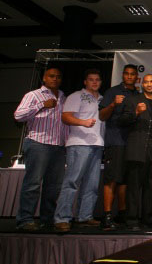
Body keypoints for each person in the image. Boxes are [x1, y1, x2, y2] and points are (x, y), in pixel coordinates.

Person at [14, 67, 68, 231]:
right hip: (38, 143)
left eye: (58, 77)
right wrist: (41, 105)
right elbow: (18, 115)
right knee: (33, 184)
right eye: (51, 76)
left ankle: (47, 219)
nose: (55, 79)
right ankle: (25, 219)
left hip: (59, 146)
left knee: (53, 186)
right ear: (44, 78)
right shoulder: (33, 95)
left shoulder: (63, 97)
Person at [54, 69, 105, 232]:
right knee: (72, 181)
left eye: (97, 80)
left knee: (92, 183)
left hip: (97, 143)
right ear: (85, 82)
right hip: (79, 143)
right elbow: (65, 117)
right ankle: (62, 218)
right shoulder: (76, 96)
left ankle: (85, 216)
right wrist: (83, 122)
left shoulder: (102, 99)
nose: (94, 82)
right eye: (91, 79)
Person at [120, 74, 152, 230]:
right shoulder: (133, 100)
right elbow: (122, 121)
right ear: (142, 84)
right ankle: (132, 220)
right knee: (134, 186)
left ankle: (148, 219)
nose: (149, 84)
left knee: (151, 186)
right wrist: (136, 112)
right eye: (146, 82)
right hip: (138, 147)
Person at [98, 64, 139, 230]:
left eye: (132, 74)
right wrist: (113, 105)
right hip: (115, 141)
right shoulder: (112, 92)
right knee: (112, 179)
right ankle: (106, 215)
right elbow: (102, 116)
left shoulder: (138, 95)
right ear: (123, 75)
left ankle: (122, 214)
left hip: (132, 142)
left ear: (137, 77)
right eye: (127, 74)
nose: (129, 77)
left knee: (126, 181)